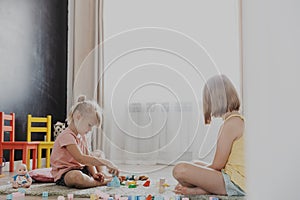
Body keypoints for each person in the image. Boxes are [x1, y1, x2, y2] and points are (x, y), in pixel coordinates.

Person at [172, 74, 246, 196]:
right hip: (233, 176)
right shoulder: (237, 120)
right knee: (196, 163)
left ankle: (206, 189)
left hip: (236, 183)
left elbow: (217, 165)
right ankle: (205, 189)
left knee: (180, 170)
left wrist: (195, 178)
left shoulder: (231, 124)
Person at [50, 95, 119, 189]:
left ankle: (101, 176)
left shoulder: (82, 135)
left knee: (98, 153)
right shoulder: (66, 136)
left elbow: (88, 157)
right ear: (78, 117)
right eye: (89, 125)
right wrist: (106, 163)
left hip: (81, 168)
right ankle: (101, 183)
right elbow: (81, 158)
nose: (90, 130)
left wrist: (94, 173)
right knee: (76, 177)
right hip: (66, 173)